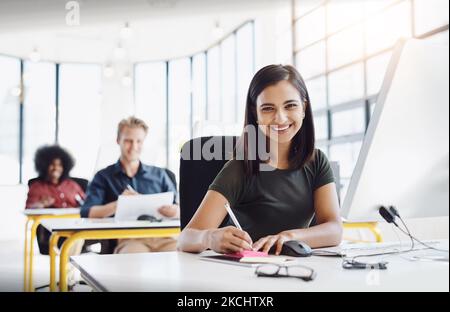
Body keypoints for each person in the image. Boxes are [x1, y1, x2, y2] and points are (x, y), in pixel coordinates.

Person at [178, 64, 343, 254]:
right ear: (255, 114)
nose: (280, 118)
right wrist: (209, 237)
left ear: (304, 108)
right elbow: (185, 238)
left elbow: (334, 229)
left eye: (290, 105)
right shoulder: (240, 168)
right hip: (248, 272)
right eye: (267, 108)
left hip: (298, 270)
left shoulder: (316, 161)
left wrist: (289, 237)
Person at [81, 116, 179, 254]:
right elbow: (87, 212)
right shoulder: (103, 177)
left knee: (181, 258)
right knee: (133, 262)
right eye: (128, 141)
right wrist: (119, 203)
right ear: (118, 141)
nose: (134, 146)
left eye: (139, 141)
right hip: (129, 239)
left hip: (165, 237)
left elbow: (181, 209)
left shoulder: (160, 175)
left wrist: (175, 211)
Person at [25, 145, 86, 254]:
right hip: (53, 230)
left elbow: (86, 203)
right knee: (77, 237)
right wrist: (41, 204)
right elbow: (29, 209)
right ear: (44, 166)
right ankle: (68, 267)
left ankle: (68, 267)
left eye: (60, 165)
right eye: (52, 164)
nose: (56, 168)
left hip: (76, 223)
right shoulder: (37, 187)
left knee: (79, 235)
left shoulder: (72, 185)